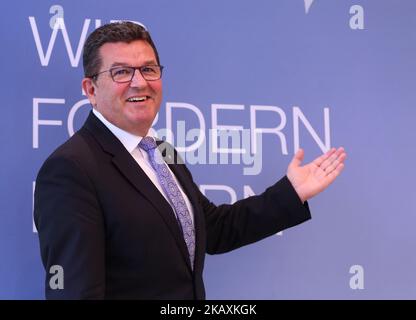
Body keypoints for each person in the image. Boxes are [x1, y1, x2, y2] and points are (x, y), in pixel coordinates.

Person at [34, 21, 346, 299]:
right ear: (90, 89)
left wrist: (291, 192)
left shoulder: (162, 151)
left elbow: (214, 228)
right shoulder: (71, 169)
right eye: (121, 72)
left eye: (148, 69)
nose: (139, 82)